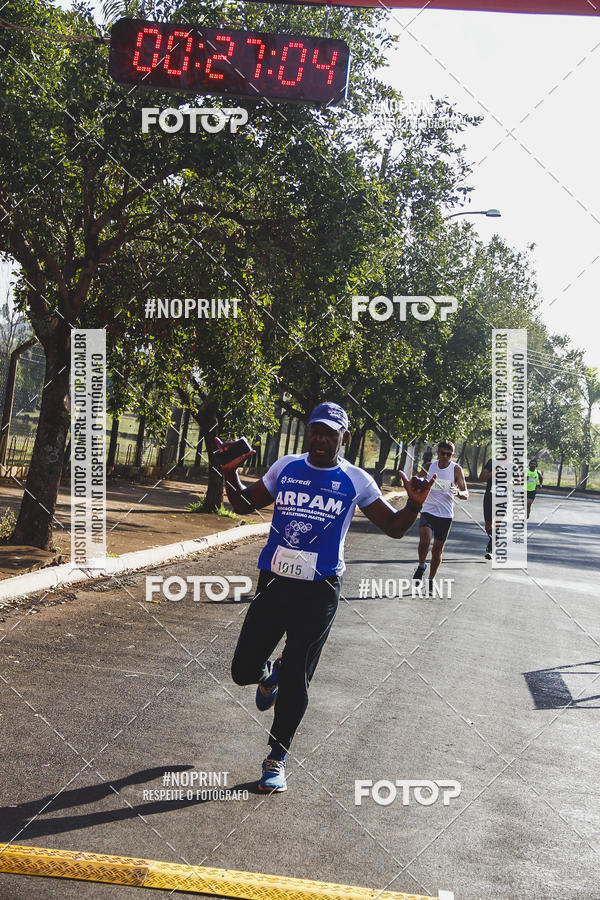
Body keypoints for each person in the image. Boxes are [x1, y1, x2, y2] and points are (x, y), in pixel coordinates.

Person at [218, 402, 435, 793]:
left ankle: (276, 757)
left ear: (344, 438)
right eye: (314, 430)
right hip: (273, 582)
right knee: (242, 670)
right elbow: (243, 504)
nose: (319, 438)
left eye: (328, 433)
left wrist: (415, 505)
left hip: (320, 591)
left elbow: (394, 528)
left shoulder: (356, 480)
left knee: (299, 674)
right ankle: (270, 674)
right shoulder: (286, 467)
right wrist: (229, 473)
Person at [412, 440, 468, 592]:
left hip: (445, 514)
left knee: (437, 550)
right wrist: (418, 485)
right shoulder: (431, 466)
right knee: (424, 540)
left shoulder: (456, 469)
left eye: (448, 454)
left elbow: (465, 493)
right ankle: (421, 565)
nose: (445, 456)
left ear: (453, 455)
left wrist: (458, 493)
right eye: (442, 453)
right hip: (428, 510)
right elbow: (416, 480)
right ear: (438, 453)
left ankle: (431, 578)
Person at [480, 457, 493, 559]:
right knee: (488, 525)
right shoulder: (492, 462)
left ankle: (490, 549)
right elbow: (482, 477)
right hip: (490, 496)